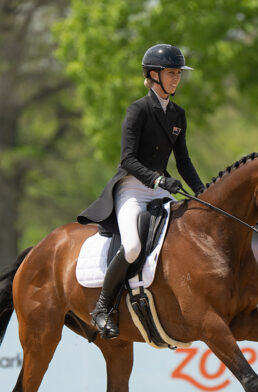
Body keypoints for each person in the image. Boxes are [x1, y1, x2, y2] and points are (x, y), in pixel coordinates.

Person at [77, 44, 206, 339]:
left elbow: (183, 161)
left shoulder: (178, 115)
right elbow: (127, 159)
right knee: (133, 246)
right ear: (153, 75)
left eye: (178, 74)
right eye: (171, 73)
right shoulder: (137, 110)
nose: (177, 79)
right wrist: (159, 181)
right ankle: (102, 307)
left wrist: (202, 193)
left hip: (160, 190)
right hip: (133, 188)